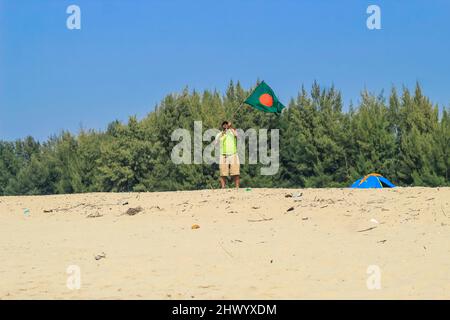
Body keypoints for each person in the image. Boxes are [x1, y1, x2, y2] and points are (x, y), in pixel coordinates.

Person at [214, 121, 240, 189]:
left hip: (233, 154)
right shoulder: (219, 134)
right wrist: (222, 135)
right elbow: (215, 144)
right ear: (222, 126)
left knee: (235, 171)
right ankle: (223, 187)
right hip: (223, 155)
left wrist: (231, 127)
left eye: (227, 125)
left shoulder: (232, 132)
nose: (226, 126)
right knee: (223, 172)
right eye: (224, 125)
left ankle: (237, 186)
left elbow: (237, 135)